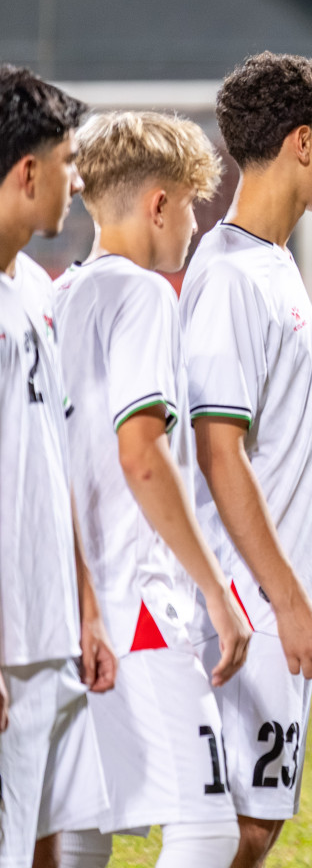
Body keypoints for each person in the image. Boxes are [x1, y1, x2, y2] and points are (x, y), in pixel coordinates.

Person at [53, 110, 254, 868]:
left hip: (79, 605)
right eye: (194, 204)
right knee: (207, 828)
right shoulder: (141, 296)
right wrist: (213, 592)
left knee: (81, 832)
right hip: (139, 603)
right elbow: (143, 456)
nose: (197, 226)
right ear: (159, 203)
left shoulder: (58, 297)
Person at [178, 52, 312, 867]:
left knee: (256, 824)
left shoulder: (274, 264)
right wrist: (289, 605)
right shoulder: (231, 279)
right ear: (300, 143)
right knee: (235, 829)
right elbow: (220, 456)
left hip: (269, 590)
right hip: (248, 602)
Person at [0, 67, 115, 868]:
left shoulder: (36, 288)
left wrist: (88, 608)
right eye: (70, 161)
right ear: (29, 170)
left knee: (64, 849)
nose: (79, 182)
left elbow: (55, 456)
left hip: (51, 631)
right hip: (7, 641)